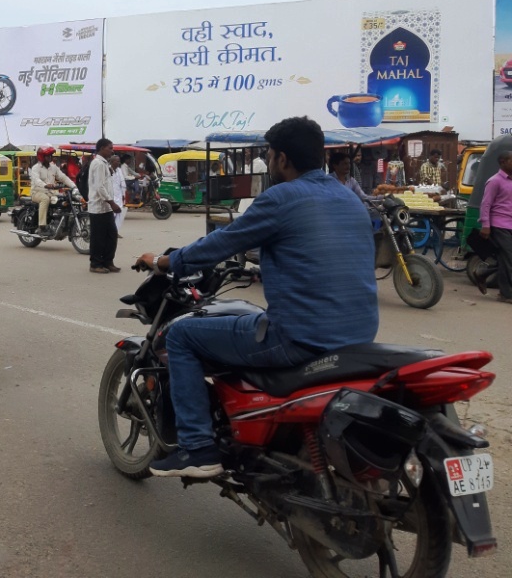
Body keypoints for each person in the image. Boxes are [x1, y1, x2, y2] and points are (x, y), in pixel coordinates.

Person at [134, 117, 378, 479]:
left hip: (300, 338)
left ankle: (198, 448)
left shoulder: (281, 198)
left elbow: (221, 243)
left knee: (183, 336)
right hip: (360, 336)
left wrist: (165, 261)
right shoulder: (349, 198)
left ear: (281, 159)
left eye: (268, 154)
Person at [477, 150, 512, 303]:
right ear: (503, 162)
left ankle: (483, 273)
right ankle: (506, 294)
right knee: (509, 258)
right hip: (499, 224)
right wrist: (486, 225)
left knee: (506, 260)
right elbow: (486, 204)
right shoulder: (494, 181)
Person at [88, 139, 120, 274]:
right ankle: (95, 264)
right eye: (109, 148)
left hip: (105, 207)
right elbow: (99, 186)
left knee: (111, 235)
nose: (112, 151)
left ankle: (108, 261)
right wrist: (112, 202)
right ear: (101, 148)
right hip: (98, 207)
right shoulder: (98, 164)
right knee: (98, 238)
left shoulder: (104, 163)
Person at [29, 146, 77, 236]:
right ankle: (42, 227)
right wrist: (46, 185)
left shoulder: (53, 167)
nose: (50, 157)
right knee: (45, 199)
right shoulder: (36, 168)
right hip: (37, 192)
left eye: (51, 155)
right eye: (48, 156)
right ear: (42, 156)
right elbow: (36, 180)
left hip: (51, 192)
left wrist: (74, 186)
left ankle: (60, 221)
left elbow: (63, 177)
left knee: (63, 199)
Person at [111, 154, 127, 234]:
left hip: (119, 194)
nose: (119, 162)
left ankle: (116, 231)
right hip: (111, 196)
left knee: (119, 214)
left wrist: (123, 194)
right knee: (112, 215)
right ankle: (111, 231)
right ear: (113, 162)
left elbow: (122, 182)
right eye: (117, 161)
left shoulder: (119, 170)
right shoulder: (108, 170)